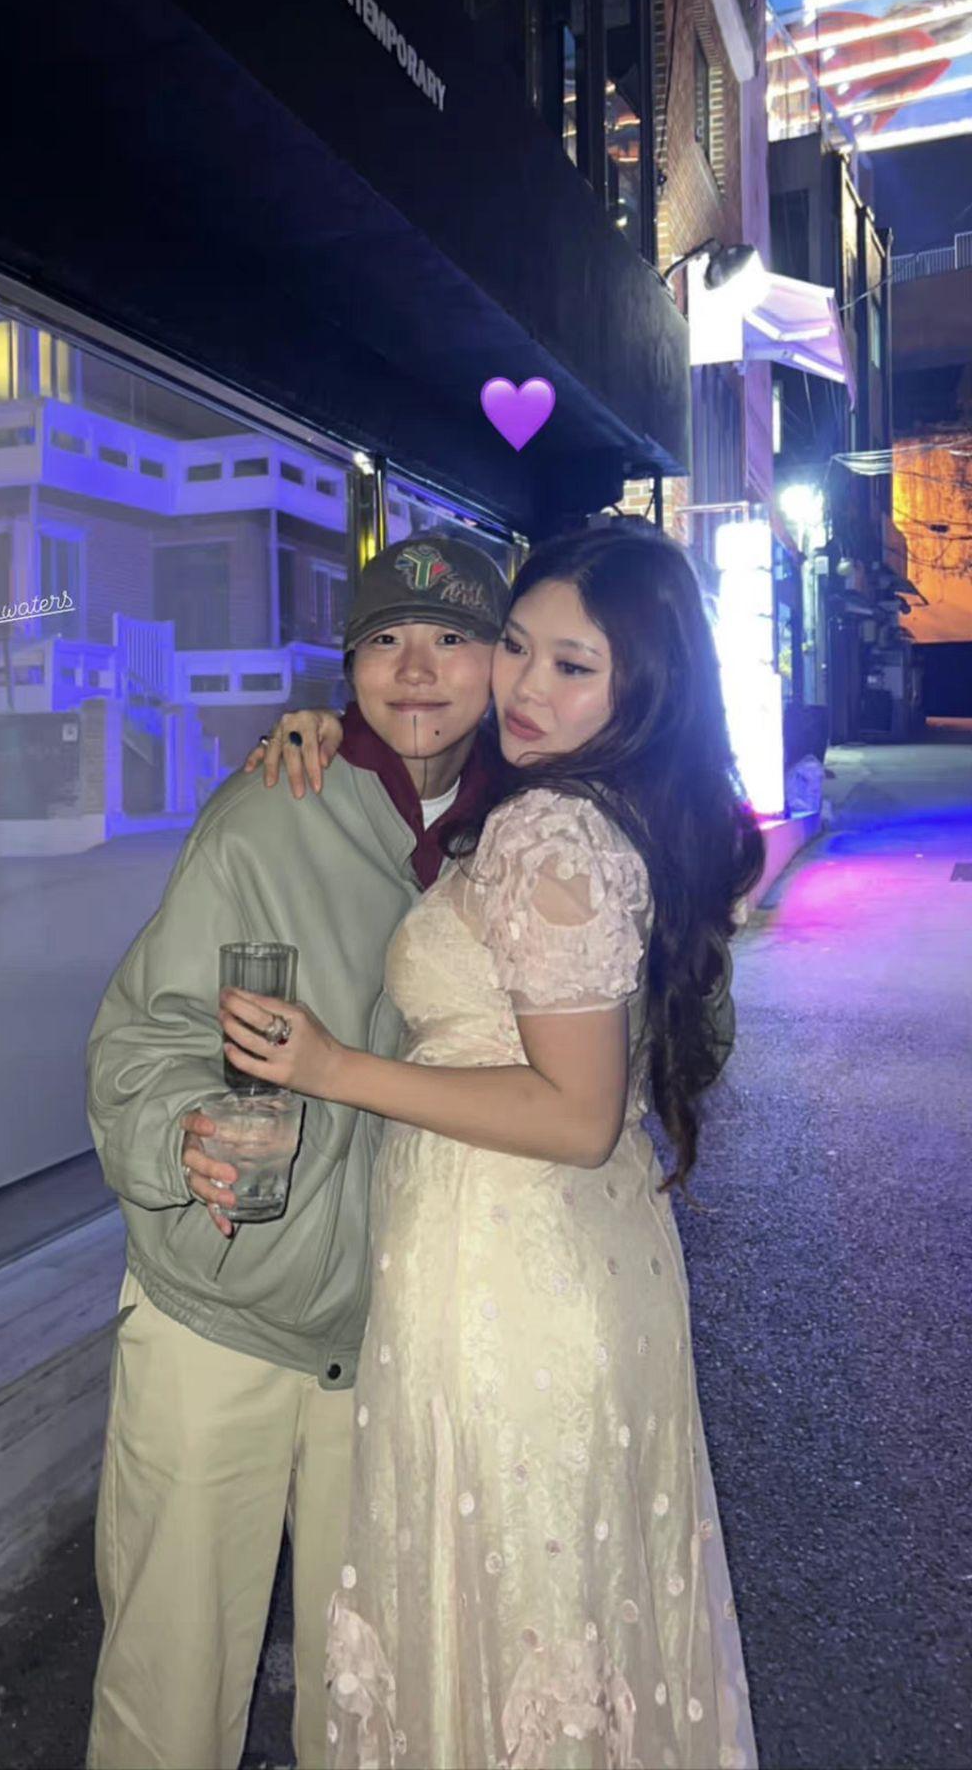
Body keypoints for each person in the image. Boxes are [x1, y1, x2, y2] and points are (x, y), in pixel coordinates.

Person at [219, 523, 765, 1770]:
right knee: (564, 1617)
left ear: (642, 688)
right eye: (516, 646)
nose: (525, 686)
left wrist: (332, 1067)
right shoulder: (607, 805)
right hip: (572, 1258)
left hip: (508, 1274)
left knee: (510, 1608)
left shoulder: (551, 830)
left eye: (574, 665)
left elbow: (574, 1113)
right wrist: (326, 731)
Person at [83, 533, 509, 1770]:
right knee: (167, 1697)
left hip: (402, 1334)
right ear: (349, 667)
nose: (417, 669)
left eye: (453, 639)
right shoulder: (272, 808)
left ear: (504, 661)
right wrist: (181, 1135)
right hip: (218, 1311)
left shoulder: (526, 834)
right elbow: (140, 1035)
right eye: (386, 640)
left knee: (370, 1700)